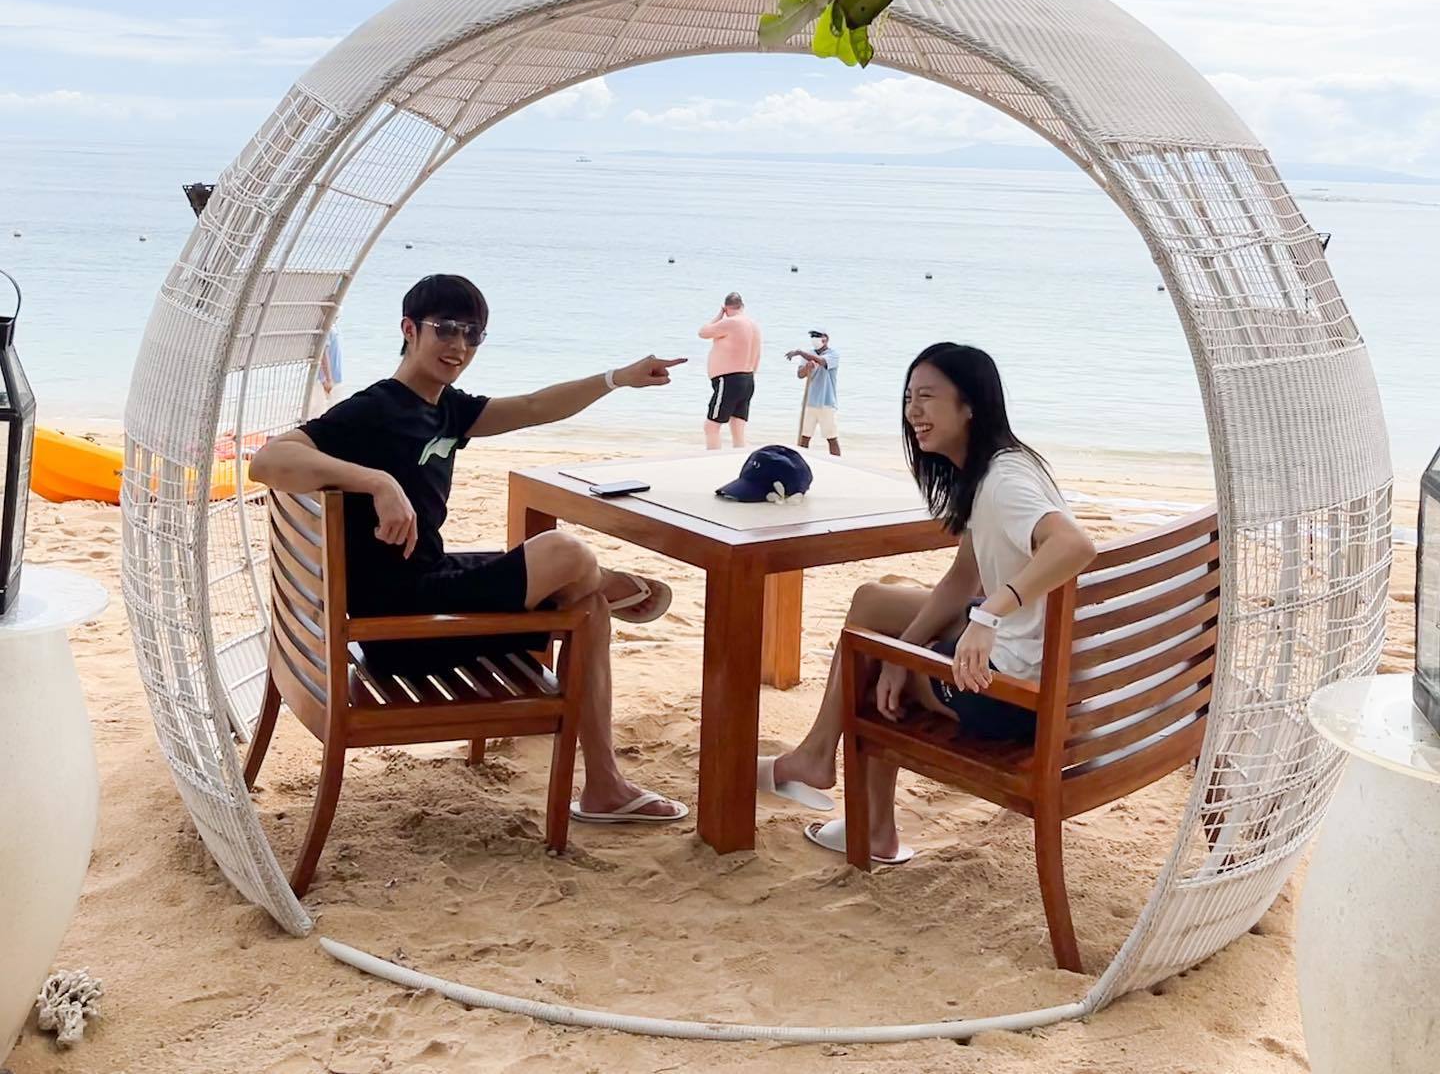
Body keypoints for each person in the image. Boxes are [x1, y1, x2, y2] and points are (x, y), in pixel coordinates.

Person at [251, 273, 690, 826]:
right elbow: (267, 461)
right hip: (401, 627)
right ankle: (606, 590)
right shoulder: (375, 410)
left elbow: (534, 406)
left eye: (472, 334)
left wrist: (617, 378)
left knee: (584, 598)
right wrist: (378, 482)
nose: (459, 345)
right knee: (569, 557)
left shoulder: (446, 409)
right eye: (445, 329)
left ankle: (605, 781)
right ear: (409, 330)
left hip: (422, 586)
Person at [757, 342, 1095, 863]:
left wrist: (988, 615)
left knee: (867, 666)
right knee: (872, 604)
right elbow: (962, 578)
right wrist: (905, 650)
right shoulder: (999, 466)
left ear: (970, 405)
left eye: (928, 397)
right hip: (1042, 665)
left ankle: (872, 827)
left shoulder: (1003, 484)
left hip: (1017, 695)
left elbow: (1076, 545)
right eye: (909, 398)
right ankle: (817, 755)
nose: (913, 411)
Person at [698, 290, 762, 450]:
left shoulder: (731, 323)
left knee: (711, 426)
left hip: (729, 379)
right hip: (748, 378)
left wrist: (719, 315)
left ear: (726, 308)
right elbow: (758, 355)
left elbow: (703, 332)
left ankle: (713, 458)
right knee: (737, 427)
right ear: (742, 306)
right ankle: (739, 456)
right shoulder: (754, 325)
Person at [787, 328, 840, 456]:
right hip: (809, 401)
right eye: (813, 336)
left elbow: (822, 361)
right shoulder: (808, 354)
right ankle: (801, 460)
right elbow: (800, 375)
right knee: (804, 437)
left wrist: (800, 352)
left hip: (826, 402)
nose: (815, 339)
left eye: (818, 336)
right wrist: (807, 367)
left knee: (831, 437)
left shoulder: (833, 354)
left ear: (826, 339)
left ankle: (837, 462)